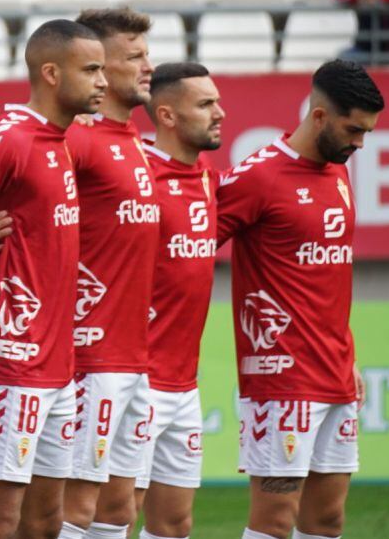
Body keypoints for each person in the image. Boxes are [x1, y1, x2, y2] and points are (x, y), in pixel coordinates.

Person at [0, 19, 107, 539]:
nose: (103, 80)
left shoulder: (60, 140)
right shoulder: (8, 138)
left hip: (56, 364)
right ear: (52, 73)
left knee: (44, 523)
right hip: (6, 360)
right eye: (92, 69)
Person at [218, 59, 383, 539]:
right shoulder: (258, 177)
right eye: (354, 129)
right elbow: (185, 243)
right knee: (274, 519)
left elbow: (325, 278)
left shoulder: (338, 172)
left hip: (335, 372)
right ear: (318, 117)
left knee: (328, 520)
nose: (360, 143)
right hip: (281, 381)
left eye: (368, 132)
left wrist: (346, 351)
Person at [61, 8, 160, 539]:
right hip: (87, 355)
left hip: (134, 355)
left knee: (120, 508)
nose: (148, 67)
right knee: (77, 505)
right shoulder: (76, 140)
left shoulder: (134, 144)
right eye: (134, 57)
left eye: (147, 54)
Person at [129, 63, 225, 539]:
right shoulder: (137, 172)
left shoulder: (207, 177)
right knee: (116, 513)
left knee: (174, 524)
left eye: (217, 102)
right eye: (206, 104)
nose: (220, 113)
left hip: (183, 382)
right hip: (133, 378)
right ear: (166, 115)